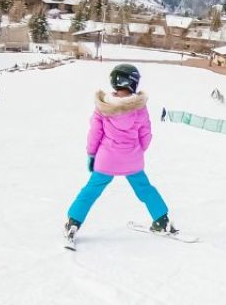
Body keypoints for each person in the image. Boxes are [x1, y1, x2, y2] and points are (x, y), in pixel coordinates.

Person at [64, 64, 176, 244]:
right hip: (132, 159)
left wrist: (92, 154)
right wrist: (138, 150)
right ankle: (162, 220)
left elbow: (95, 133)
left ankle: (73, 222)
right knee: (145, 189)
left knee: (90, 191)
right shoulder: (139, 107)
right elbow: (146, 134)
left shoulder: (103, 106)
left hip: (106, 159)